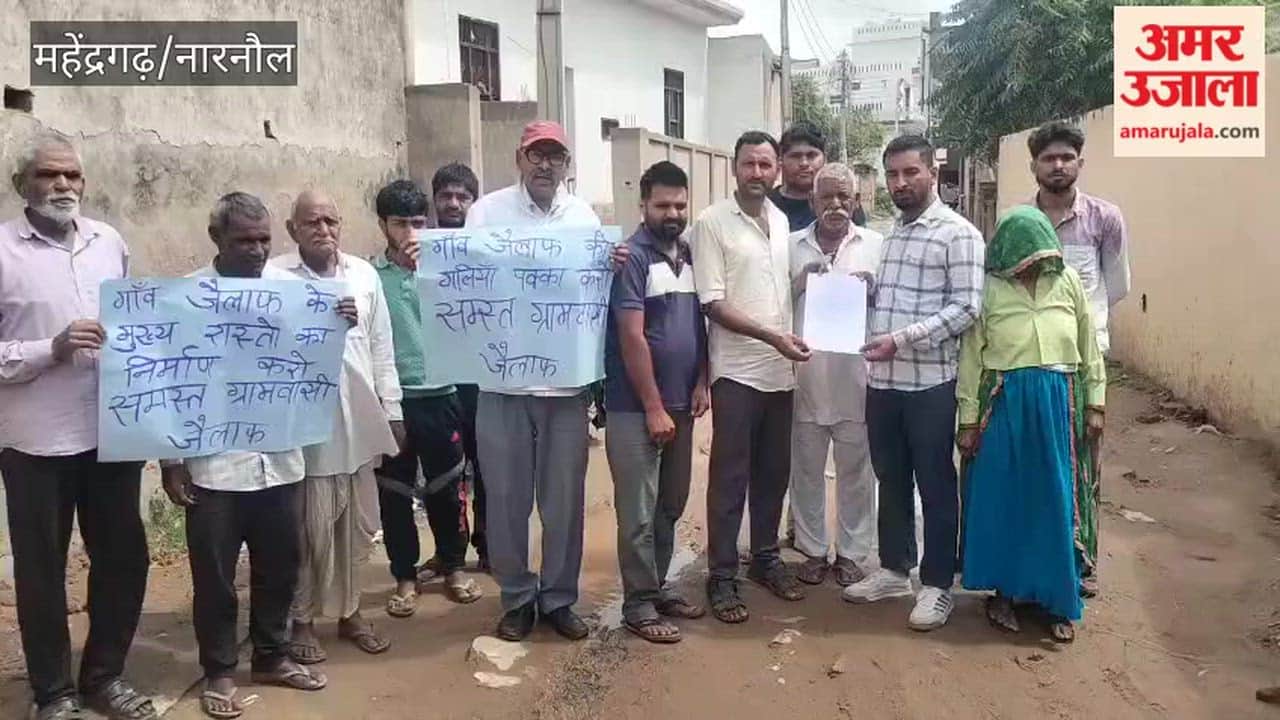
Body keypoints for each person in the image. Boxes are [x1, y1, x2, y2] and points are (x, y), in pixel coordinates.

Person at [162, 192, 341, 719]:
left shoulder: (296, 294)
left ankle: (271, 654)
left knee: (280, 567)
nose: (258, 249)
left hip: (280, 460)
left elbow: (313, 362)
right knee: (214, 577)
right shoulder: (185, 298)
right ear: (216, 238)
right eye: (244, 240)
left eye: (264, 239)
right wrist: (171, 461)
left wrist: (338, 325)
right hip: (214, 467)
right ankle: (219, 670)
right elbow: (169, 385)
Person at [0, 136, 156, 720]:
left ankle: (104, 677)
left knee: (124, 558)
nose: (64, 185)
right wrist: (51, 348)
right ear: (24, 185)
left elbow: (139, 325)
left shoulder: (108, 243)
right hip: (35, 441)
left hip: (111, 434)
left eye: (72, 175)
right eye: (49, 175)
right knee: (42, 571)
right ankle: (54, 693)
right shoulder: (3, 251)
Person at [466, 121, 602, 641]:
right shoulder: (487, 213)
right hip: (501, 384)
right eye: (536, 154)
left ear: (567, 165)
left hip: (565, 389)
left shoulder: (584, 217)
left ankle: (560, 599)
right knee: (504, 500)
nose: (546, 165)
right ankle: (518, 597)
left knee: (564, 500)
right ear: (519, 158)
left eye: (556, 156)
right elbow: (463, 285)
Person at [843, 135, 985, 632]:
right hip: (882, 382)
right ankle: (893, 570)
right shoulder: (893, 235)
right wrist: (867, 292)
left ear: (932, 174)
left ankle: (938, 584)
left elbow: (967, 307)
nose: (900, 184)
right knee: (892, 479)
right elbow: (901, 297)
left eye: (910, 173)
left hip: (929, 384)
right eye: (893, 175)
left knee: (935, 483)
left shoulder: (958, 234)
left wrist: (901, 339)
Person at [956, 206, 1105, 643]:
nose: (1034, 264)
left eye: (1040, 255)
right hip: (1002, 402)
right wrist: (968, 420)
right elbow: (970, 358)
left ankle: (1058, 599)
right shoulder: (987, 290)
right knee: (1004, 496)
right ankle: (1002, 594)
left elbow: (1089, 345)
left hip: (1060, 401)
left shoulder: (1068, 281)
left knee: (1055, 497)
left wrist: (1095, 402)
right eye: (1025, 256)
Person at [692, 130, 812, 624]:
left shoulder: (782, 220)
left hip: (781, 373)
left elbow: (781, 288)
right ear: (734, 168)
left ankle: (764, 558)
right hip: (737, 372)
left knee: (773, 473)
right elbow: (712, 302)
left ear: (777, 169)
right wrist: (772, 336)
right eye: (749, 165)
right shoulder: (711, 222)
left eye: (766, 165)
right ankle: (721, 574)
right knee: (729, 476)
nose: (758, 174)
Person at [274, 191, 400, 664]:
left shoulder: (363, 276)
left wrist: (394, 410)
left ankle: (350, 614)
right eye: (312, 222)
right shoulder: (276, 278)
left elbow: (381, 347)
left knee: (360, 528)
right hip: (309, 430)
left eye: (330, 220)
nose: (323, 229)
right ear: (293, 230)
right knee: (312, 530)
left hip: (359, 423)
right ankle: (303, 618)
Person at [605, 161, 710, 644]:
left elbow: (700, 326)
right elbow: (632, 337)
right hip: (636, 408)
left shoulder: (689, 254)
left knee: (671, 503)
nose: (673, 212)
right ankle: (638, 603)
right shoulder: (632, 260)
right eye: (663, 204)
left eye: (680, 204)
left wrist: (702, 380)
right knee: (639, 511)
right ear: (643, 205)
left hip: (683, 406)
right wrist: (652, 405)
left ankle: (658, 584)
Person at [1025, 121, 1128, 598]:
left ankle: (1081, 563)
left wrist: (1088, 340)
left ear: (1080, 163)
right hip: (1030, 365)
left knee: (1084, 461)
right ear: (1035, 166)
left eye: (1067, 157)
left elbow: (1116, 285)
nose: (1059, 166)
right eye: (1049, 158)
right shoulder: (1020, 220)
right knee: (1040, 464)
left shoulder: (1104, 219)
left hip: (1084, 363)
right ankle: (1037, 560)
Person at [371, 180, 482, 619]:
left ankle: (453, 566)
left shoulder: (447, 269)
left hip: (443, 393)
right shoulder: (368, 277)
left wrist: (429, 273)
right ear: (383, 225)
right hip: (393, 401)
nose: (411, 233)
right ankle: (404, 574)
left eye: (419, 223)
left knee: (449, 485)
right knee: (395, 490)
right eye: (400, 224)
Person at [787, 163, 884, 589]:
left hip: (857, 381)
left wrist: (872, 287)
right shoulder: (790, 246)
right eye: (826, 197)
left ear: (857, 201)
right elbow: (773, 300)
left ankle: (850, 553)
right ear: (812, 201)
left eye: (845, 197)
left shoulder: (877, 246)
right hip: (805, 380)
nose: (836, 205)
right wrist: (799, 282)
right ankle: (811, 550)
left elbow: (891, 306)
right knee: (805, 472)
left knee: (856, 475)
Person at [420, 162, 490, 573]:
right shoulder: (418, 250)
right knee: (444, 474)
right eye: (445, 195)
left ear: (473, 202)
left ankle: (489, 547)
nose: (453, 203)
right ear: (435, 199)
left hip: (482, 379)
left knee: (489, 470)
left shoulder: (488, 249)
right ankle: (449, 552)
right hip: (438, 381)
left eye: (462, 196)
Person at [768, 122, 827, 232]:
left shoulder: (836, 205)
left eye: (811, 155)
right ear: (780, 160)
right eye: (795, 156)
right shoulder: (766, 206)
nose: (804, 163)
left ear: (824, 159)